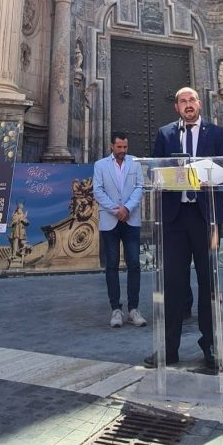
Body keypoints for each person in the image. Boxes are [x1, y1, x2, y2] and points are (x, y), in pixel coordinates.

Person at [146, 86, 223, 367]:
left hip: (205, 217)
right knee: (172, 285)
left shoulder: (216, 133)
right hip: (174, 219)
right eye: (182, 101)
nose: (188, 105)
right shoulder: (166, 134)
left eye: (191, 100)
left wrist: (212, 176)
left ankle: (209, 346)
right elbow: (154, 171)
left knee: (209, 283)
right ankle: (168, 349)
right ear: (176, 107)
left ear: (199, 103)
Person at [93, 133, 147, 329]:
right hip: (111, 220)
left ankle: (134, 309)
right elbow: (97, 190)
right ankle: (116, 309)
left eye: (125, 147)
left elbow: (140, 187)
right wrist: (116, 210)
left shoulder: (135, 163)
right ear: (111, 147)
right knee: (112, 265)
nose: (123, 151)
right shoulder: (100, 165)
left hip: (130, 219)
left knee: (134, 264)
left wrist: (127, 208)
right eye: (119, 147)